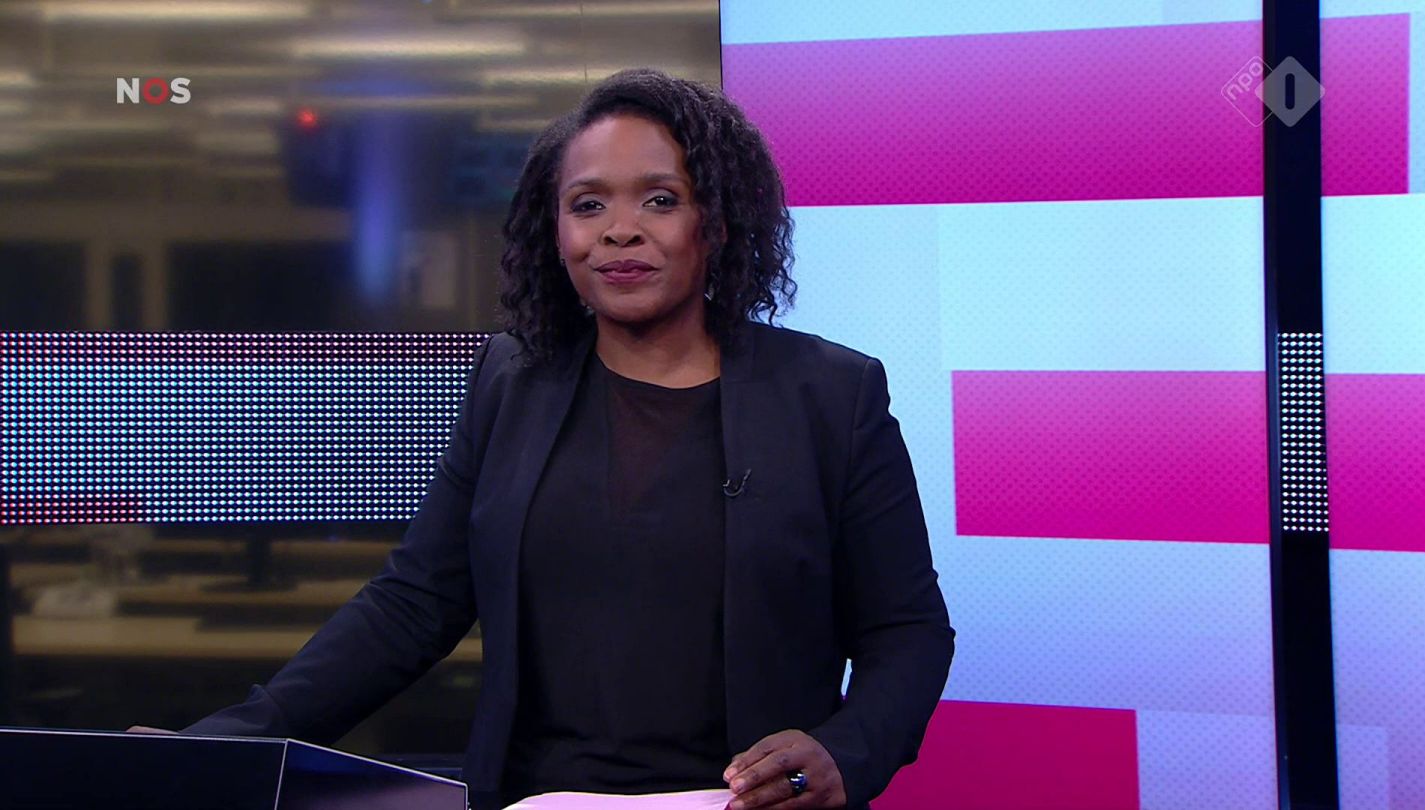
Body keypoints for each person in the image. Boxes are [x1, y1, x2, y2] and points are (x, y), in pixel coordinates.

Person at [180, 69, 953, 810]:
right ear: (554, 231)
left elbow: (906, 631)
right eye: (587, 205)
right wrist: (226, 745)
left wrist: (844, 752)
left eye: (660, 199)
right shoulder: (511, 381)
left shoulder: (832, 395)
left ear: (716, 221)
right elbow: (413, 604)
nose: (620, 230)